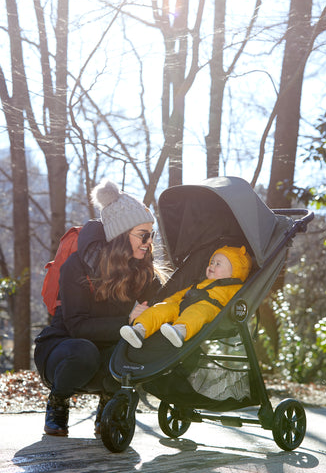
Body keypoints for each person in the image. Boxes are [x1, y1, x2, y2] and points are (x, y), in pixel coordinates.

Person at [34, 179, 165, 437]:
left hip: (109, 354)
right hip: (65, 351)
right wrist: (127, 319)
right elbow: (77, 326)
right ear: (120, 233)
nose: (149, 242)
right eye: (143, 234)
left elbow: (160, 309)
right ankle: (58, 401)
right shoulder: (78, 266)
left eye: (152, 235)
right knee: (85, 351)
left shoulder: (146, 273)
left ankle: (108, 405)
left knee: (133, 354)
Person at [119, 245, 252, 349]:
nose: (212, 265)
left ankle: (180, 331)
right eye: (212, 262)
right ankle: (139, 330)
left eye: (218, 264)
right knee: (160, 309)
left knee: (196, 313)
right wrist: (168, 302)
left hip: (209, 308)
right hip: (183, 304)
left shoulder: (235, 288)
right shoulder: (200, 283)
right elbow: (180, 294)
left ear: (234, 273)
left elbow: (240, 302)